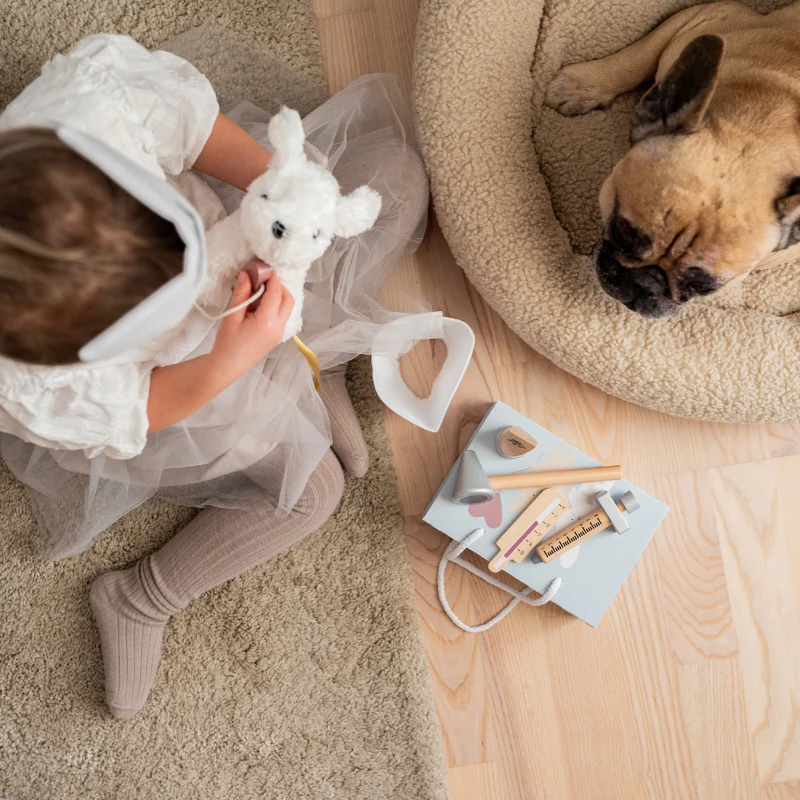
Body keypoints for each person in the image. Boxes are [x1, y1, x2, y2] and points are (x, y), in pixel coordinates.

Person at [0, 32, 429, 719]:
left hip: (240, 233)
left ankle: (320, 366)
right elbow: (146, 408)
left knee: (397, 175)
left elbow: (198, 135)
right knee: (312, 495)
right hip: (181, 372)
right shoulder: (29, 377)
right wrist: (235, 354)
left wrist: (289, 214)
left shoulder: (87, 111)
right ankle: (141, 596)